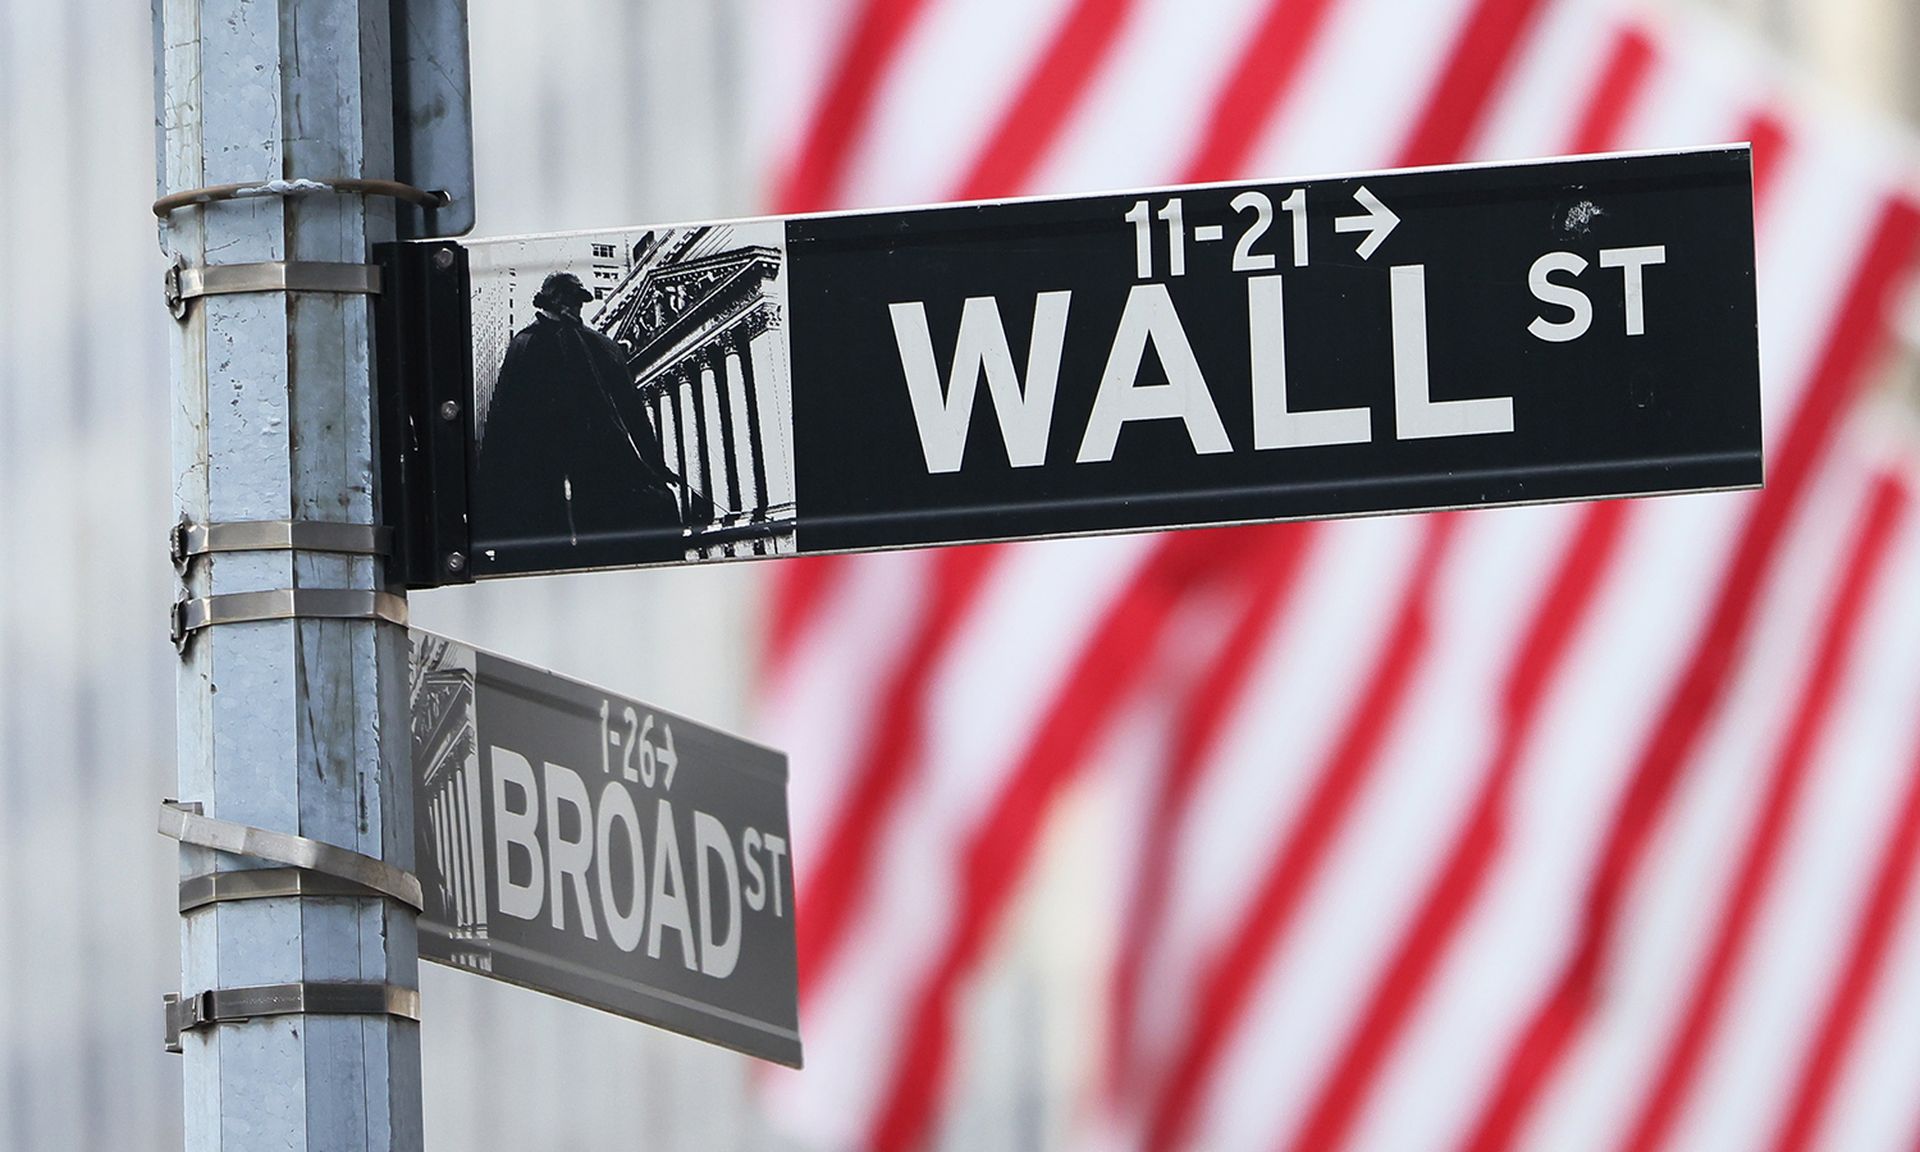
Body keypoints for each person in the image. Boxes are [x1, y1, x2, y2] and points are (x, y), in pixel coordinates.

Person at [472, 271, 688, 559]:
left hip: (598, 460)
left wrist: (655, 463)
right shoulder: (524, 344)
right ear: (550, 301)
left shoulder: (601, 345)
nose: (574, 307)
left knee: (637, 520)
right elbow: (502, 420)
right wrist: (492, 487)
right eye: (568, 300)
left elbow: (632, 409)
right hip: (541, 467)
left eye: (578, 301)